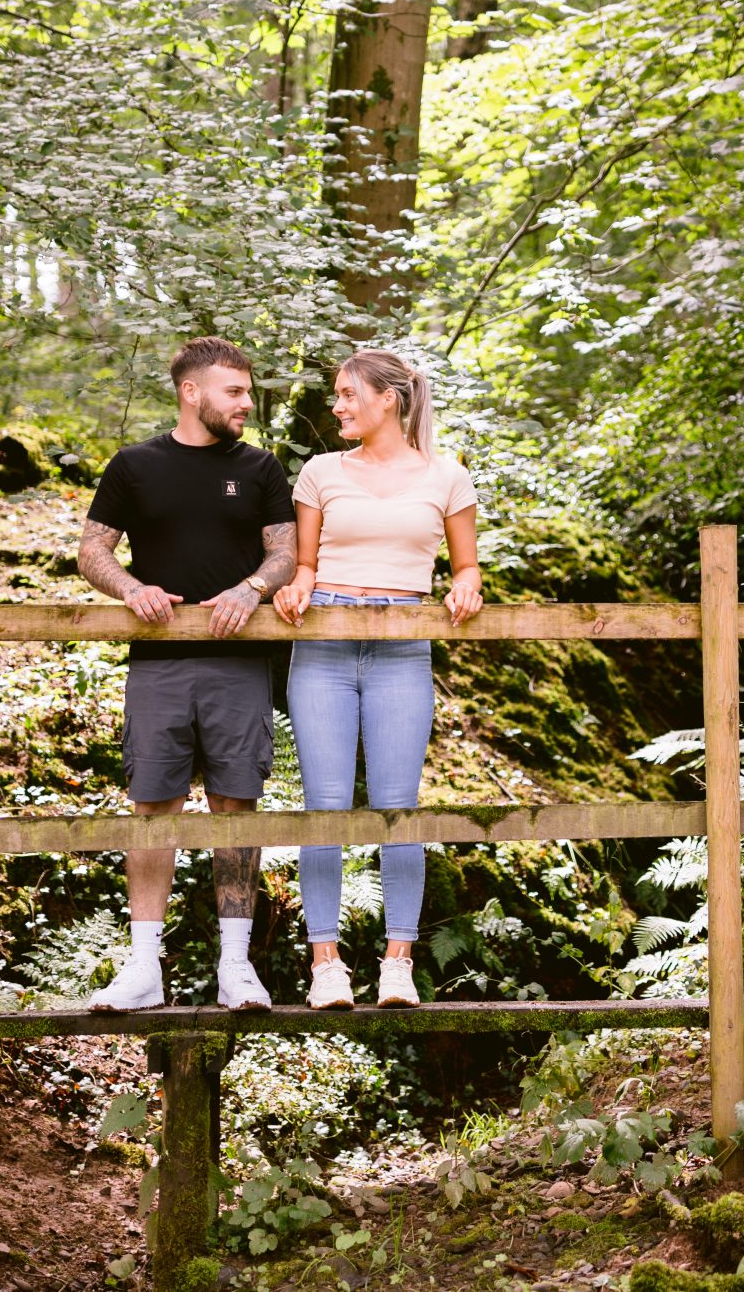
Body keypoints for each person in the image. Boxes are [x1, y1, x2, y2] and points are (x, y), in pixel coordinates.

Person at [75, 336, 297, 1013]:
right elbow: (93, 549)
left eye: (248, 392)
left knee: (236, 804)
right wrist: (129, 587)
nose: (246, 403)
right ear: (190, 391)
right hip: (159, 661)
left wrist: (252, 588)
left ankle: (236, 966)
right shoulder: (136, 465)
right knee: (153, 805)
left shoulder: (260, 468)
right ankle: (144, 967)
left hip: (238, 664)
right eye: (234, 391)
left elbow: (285, 553)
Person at [272, 348, 483, 1009]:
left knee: (399, 805)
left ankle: (398, 961)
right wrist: (296, 586)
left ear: (387, 398)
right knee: (324, 805)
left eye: (346, 394)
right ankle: (326, 963)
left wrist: (467, 588)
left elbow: (466, 567)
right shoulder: (319, 471)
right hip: (326, 645)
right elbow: (304, 564)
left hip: (402, 646)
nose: (336, 405)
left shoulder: (447, 475)